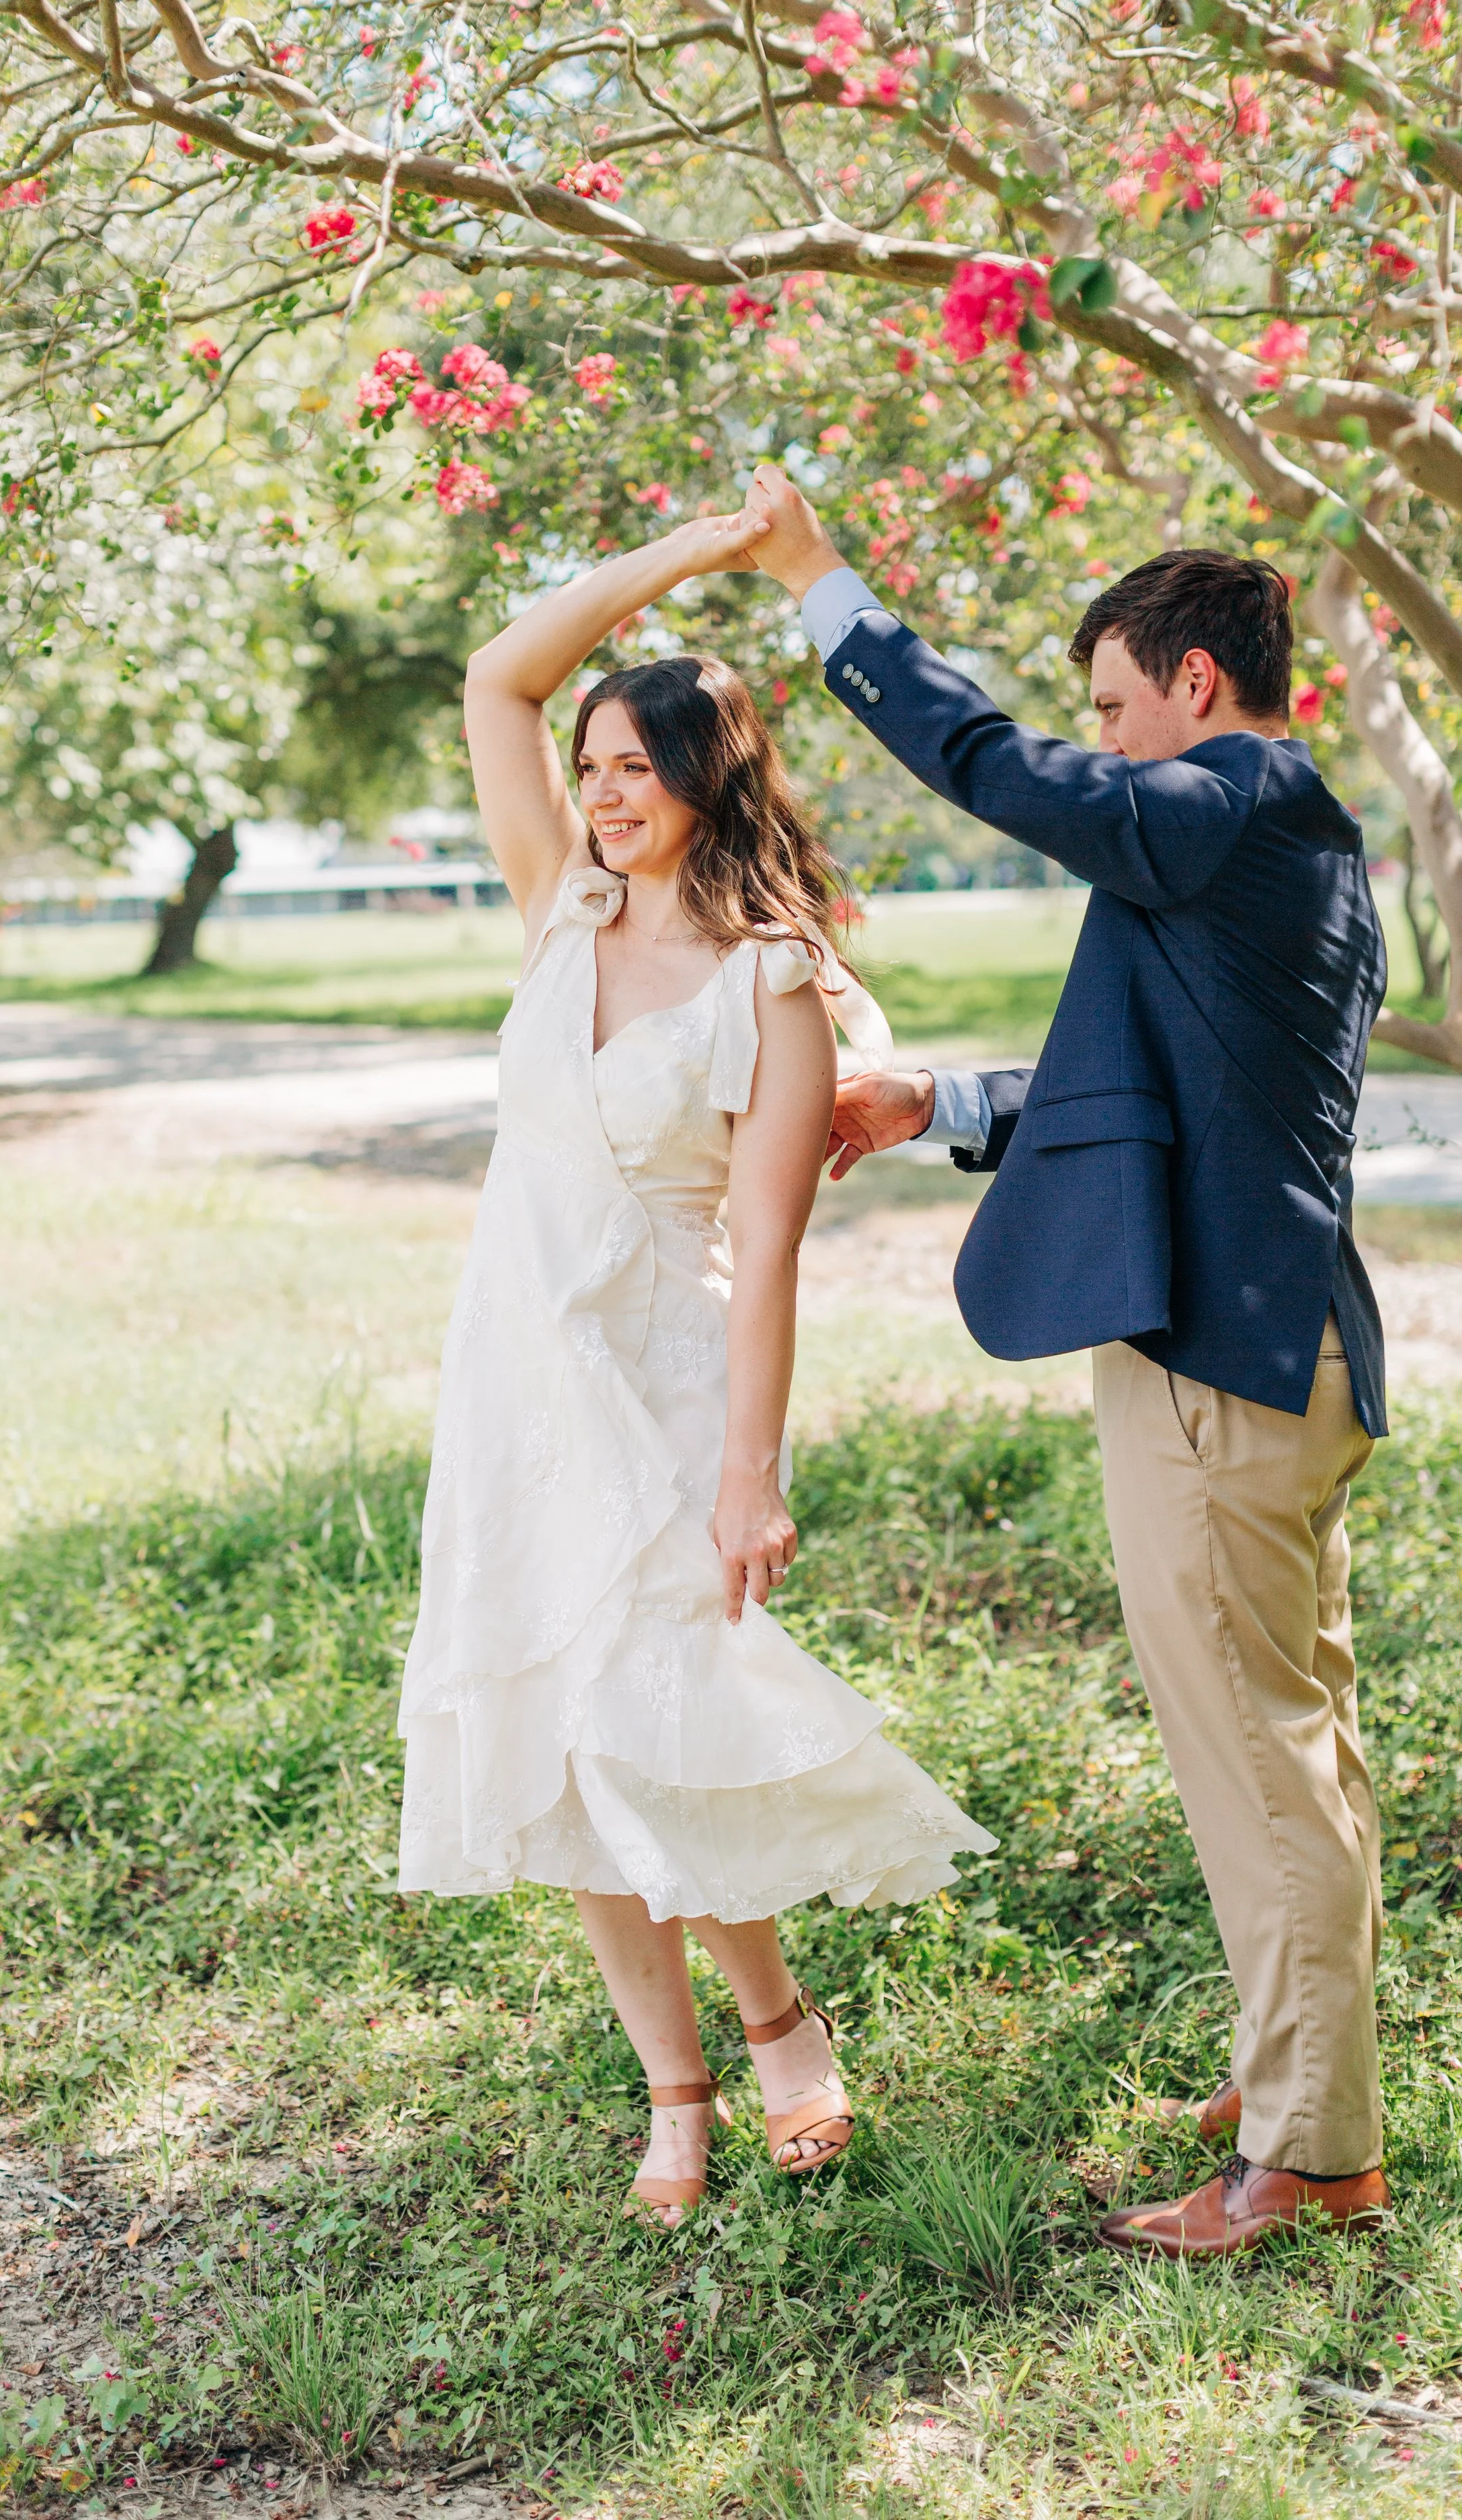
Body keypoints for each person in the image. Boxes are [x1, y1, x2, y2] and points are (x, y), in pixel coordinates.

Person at [743, 464, 1391, 2261]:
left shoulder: (1228, 793)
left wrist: (828, 595)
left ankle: (1309, 2152)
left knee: (1256, 1758)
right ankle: (1301, 2069)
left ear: (1196, 687)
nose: (1097, 747)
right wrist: (937, 1102)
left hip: (1217, 1360)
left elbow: (995, 767)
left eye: (1113, 707)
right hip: (1286, 1341)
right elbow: (1180, 1100)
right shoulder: (1292, 843)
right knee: (1302, 1744)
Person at [395, 509, 996, 2226]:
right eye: (589, 765)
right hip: (513, 1391)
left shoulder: (771, 985)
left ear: (707, 779)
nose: (601, 792)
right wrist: (691, 553)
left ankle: (774, 2017)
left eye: (637, 765)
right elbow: (495, 674)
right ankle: (673, 2088)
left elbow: (767, 1253)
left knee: (663, 1729)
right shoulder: (551, 911)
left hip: (661, 1393)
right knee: (563, 1748)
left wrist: (750, 1468)